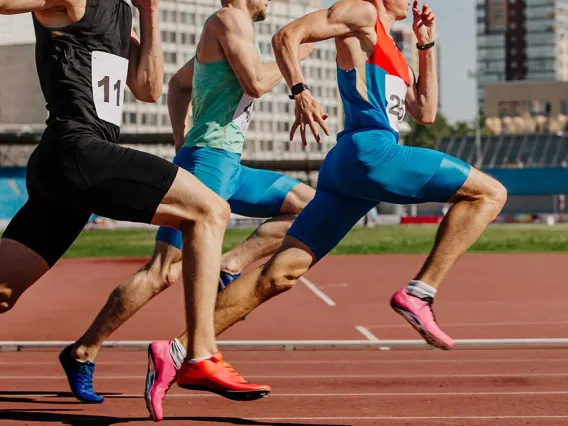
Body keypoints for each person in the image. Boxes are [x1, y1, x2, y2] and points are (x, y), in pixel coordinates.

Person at [136, 0, 508, 407]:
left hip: (350, 171)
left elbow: (427, 111)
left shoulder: (394, 50)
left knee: (278, 276)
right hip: (371, 153)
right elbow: (286, 37)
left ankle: (177, 350)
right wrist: (301, 92)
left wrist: (426, 45)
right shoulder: (362, 13)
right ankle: (419, 291)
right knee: (490, 193)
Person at [0, 0, 264, 408]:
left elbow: (148, 88)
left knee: (2, 291)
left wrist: (150, 12)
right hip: (74, 150)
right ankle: (200, 355)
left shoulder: (123, 15)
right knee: (210, 210)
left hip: (75, 171)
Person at [61, 0, 315, 418]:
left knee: (308, 205)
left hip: (227, 164)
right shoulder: (227, 20)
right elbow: (254, 83)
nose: (269, 0)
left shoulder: (232, 30)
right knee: (162, 272)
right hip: (209, 163)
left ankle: (229, 264)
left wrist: (182, 141)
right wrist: (293, 60)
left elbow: (180, 85)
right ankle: (83, 351)